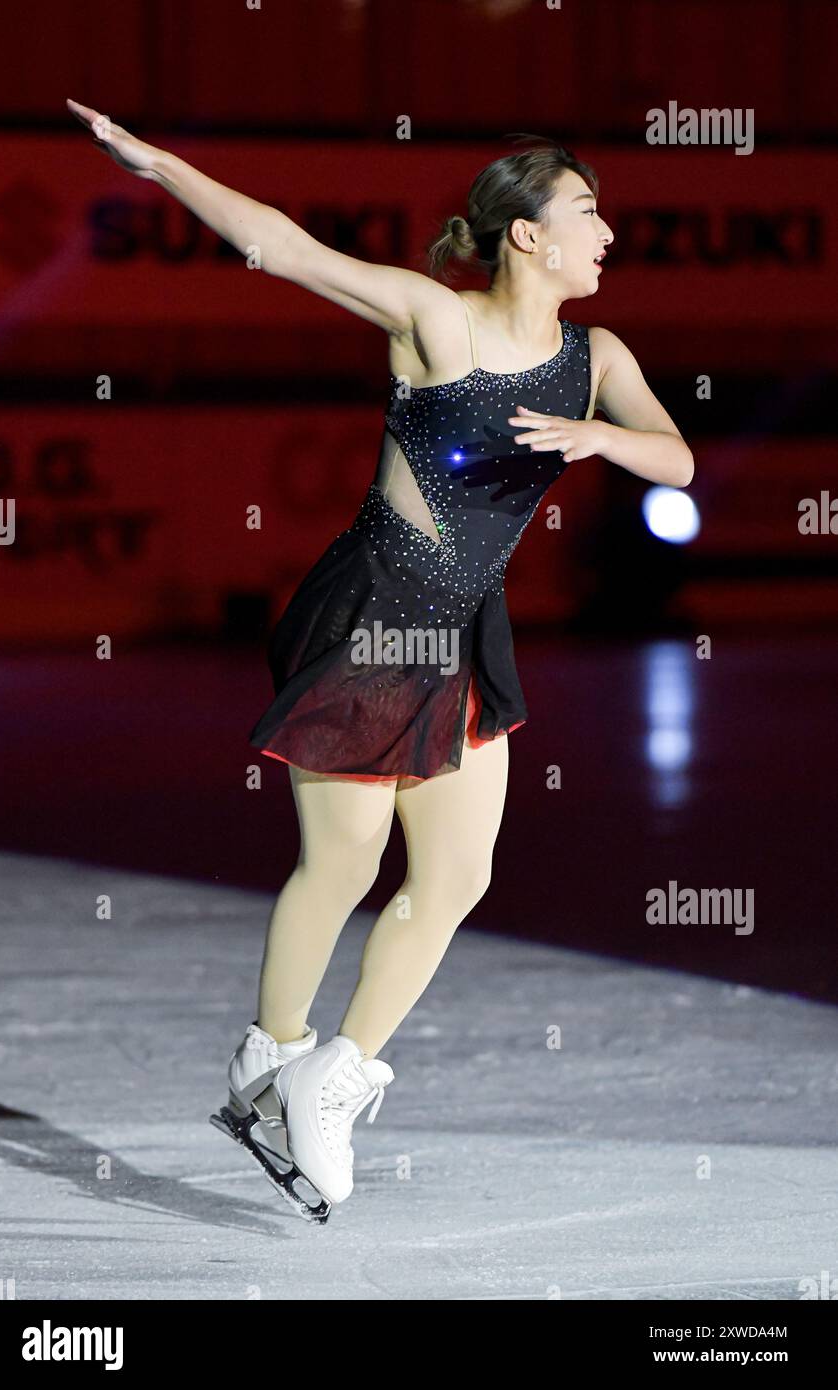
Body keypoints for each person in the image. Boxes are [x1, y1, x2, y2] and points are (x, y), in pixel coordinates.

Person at [67, 101, 694, 1220]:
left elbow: (679, 462)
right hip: (372, 614)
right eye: (587, 214)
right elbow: (285, 248)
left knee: (456, 876)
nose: (607, 235)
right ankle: (270, 1049)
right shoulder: (433, 323)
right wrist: (163, 168)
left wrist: (605, 437)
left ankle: (335, 1073)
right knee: (347, 858)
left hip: (462, 629)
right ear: (525, 236)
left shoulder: (598, 357)